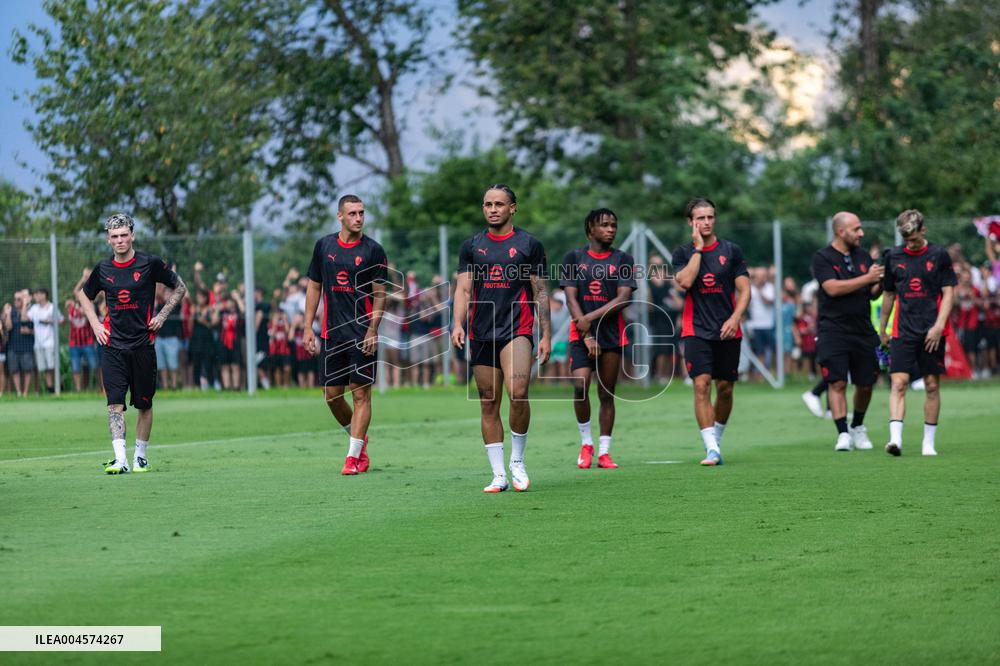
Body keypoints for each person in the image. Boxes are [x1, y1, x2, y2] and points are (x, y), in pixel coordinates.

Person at [451, 184, 551, 492]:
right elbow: (464, 289)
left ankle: (517, 461)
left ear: (512, 208)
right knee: (488, 401)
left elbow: (540, 291)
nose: (492, 209)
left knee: (518, 391)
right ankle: (498, 475)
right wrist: (457, 323)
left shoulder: (528, 244)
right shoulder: (471, 246)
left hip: (517, 328)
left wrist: (545, 333)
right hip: (481, 332)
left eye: (499, 204)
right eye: (487, 204)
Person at [75, 213, 186, 474]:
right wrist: (95, 323)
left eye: (124, 235)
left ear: (132, 235)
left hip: (142, 345)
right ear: (108, 240)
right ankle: (120, 459)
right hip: (113, 346)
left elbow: (179, 287)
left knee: (144, 404)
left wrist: (161, 315)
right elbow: (83, 295)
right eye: (114, 236)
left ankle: (140, 456)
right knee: (114, 404)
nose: (120, 240)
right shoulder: (103, 269)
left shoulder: (149, 263)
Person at [303, 194, 388, 476]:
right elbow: (314, 287)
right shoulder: (324, 246)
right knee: (331, 395)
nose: (358, 218)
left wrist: (373, 330)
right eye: (352, 213)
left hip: (362, 335)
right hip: (330, 335)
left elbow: (380, 295)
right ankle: (359, 439)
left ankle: (353, 458)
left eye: (361, 213)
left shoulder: (374, 250)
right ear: (340, 216)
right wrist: (307, 327)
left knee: (361, 395)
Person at [672, 197, 751, 466]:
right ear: (690, 222)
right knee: (701, 385)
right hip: (696, 331)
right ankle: (711, 449)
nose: (706, 222)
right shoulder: (683, 253)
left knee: (725, 389)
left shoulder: (732, 251)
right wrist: (698, 249)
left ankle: (716, 438)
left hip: (729, 330)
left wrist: (735, 318)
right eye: (700, 218)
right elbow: (684, 282)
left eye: (710, 217)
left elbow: (745, 290)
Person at [560, 208, 636, 469]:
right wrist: (587, 332)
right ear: (590, 229)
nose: (611, 229)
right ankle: (586, 444)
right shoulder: (574, 258)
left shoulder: (624, 259)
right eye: (604, 225)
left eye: (614, 225)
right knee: (580, 386)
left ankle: (604, 452)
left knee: (606, 393)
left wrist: (589, 318)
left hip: (612, 336)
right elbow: (570, 299)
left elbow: (623, 298)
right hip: (580, 334)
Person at [879, 210, 956, 457]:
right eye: (906, 241)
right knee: (898, 383)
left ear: (923, 230)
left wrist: (938, 326)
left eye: (913, 239)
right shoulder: (892, 256)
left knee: (932, 385)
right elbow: (889, 294)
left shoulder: (939, 255)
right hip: (903, 331)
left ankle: (928, 443)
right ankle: (895, 441)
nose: (910, 245)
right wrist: (883, 328)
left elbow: (948, 293)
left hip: (932, 331)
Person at [810, 212, 885, 452]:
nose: (861, 233)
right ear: (841, 231)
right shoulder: (823, 257)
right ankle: (842, 433)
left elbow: (872, 292)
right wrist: (867, 279)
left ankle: (858, 426)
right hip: (833, 330)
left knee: (866, 384)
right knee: (837, 382)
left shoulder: (863, 256)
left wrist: (883, 279)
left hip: (863, 330)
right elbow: (832, 288)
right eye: (856, 229)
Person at [68, 271, 101, 392]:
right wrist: (83, 278)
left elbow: (89, 317)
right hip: (74, 343)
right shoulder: (71, 307)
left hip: (88, 342)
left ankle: (101, 388)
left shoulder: (89, 305)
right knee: (76, 368)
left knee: (95, 366)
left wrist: (89, 279)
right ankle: (78, 390)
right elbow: (75, 291)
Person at [27, 287, 63, 393]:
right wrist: (25, 304)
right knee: (45, 368)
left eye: (37, 294)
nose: (35, 297)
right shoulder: (34, 308)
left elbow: (61, 320)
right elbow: (25, 317)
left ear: (43, 295)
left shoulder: (52, 307)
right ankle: (50, 389)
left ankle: (59, 386)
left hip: (50, 342)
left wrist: (50, 321)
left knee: (52, 366)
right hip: (38, 344)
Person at [4, 291, 35, 397]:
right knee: (15, 370)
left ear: (23, 300)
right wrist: (8, 314)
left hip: (26, 346)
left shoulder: (30, 310)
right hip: (13, 346)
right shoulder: (11, 312)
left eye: (19, 299)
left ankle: (25, 392)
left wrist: (24, 307)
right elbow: (8, 327)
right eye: (15, 299)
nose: (16, 301)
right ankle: (18, 392)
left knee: (27, 370)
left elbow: (24, 320)